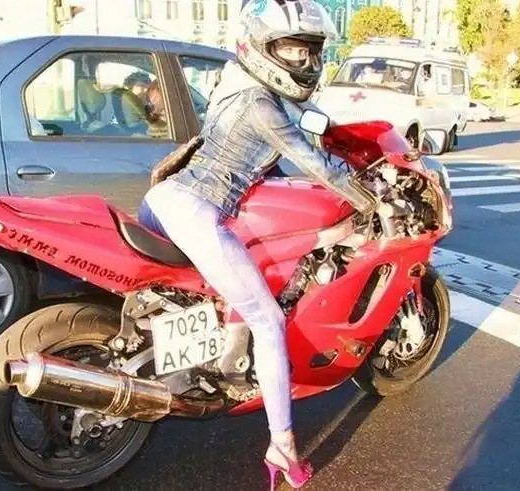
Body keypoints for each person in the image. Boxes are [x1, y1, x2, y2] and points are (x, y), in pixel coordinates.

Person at [138, 0, 374, 487]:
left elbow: (285, 142)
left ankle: (207, 354)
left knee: (221, 288)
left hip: (162, 199)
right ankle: (283, 446)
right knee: (268, 320)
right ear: (260, 46)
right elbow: (316, 165)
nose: (305, 60)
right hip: (194, 209)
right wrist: (371, 199)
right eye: (293, 48)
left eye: (310, 50)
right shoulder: (261, 105)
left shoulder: (237, 83)